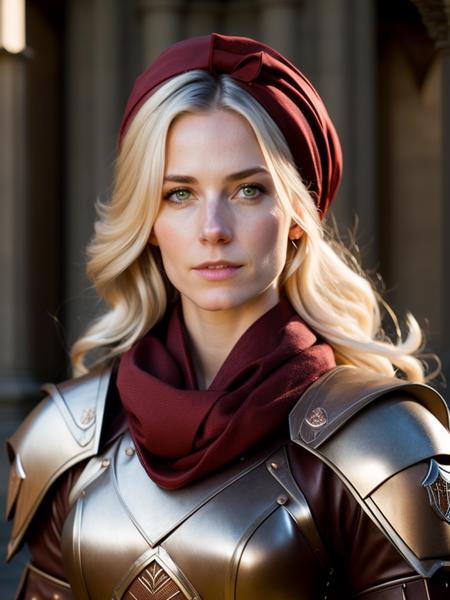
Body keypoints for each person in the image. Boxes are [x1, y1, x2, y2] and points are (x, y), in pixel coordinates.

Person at [6, 33, 450, 600]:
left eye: (247, 189)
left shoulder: (383, 446)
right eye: (179, 194)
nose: (212, 228)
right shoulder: (70, 437)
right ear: (149, 222)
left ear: (296, 214)